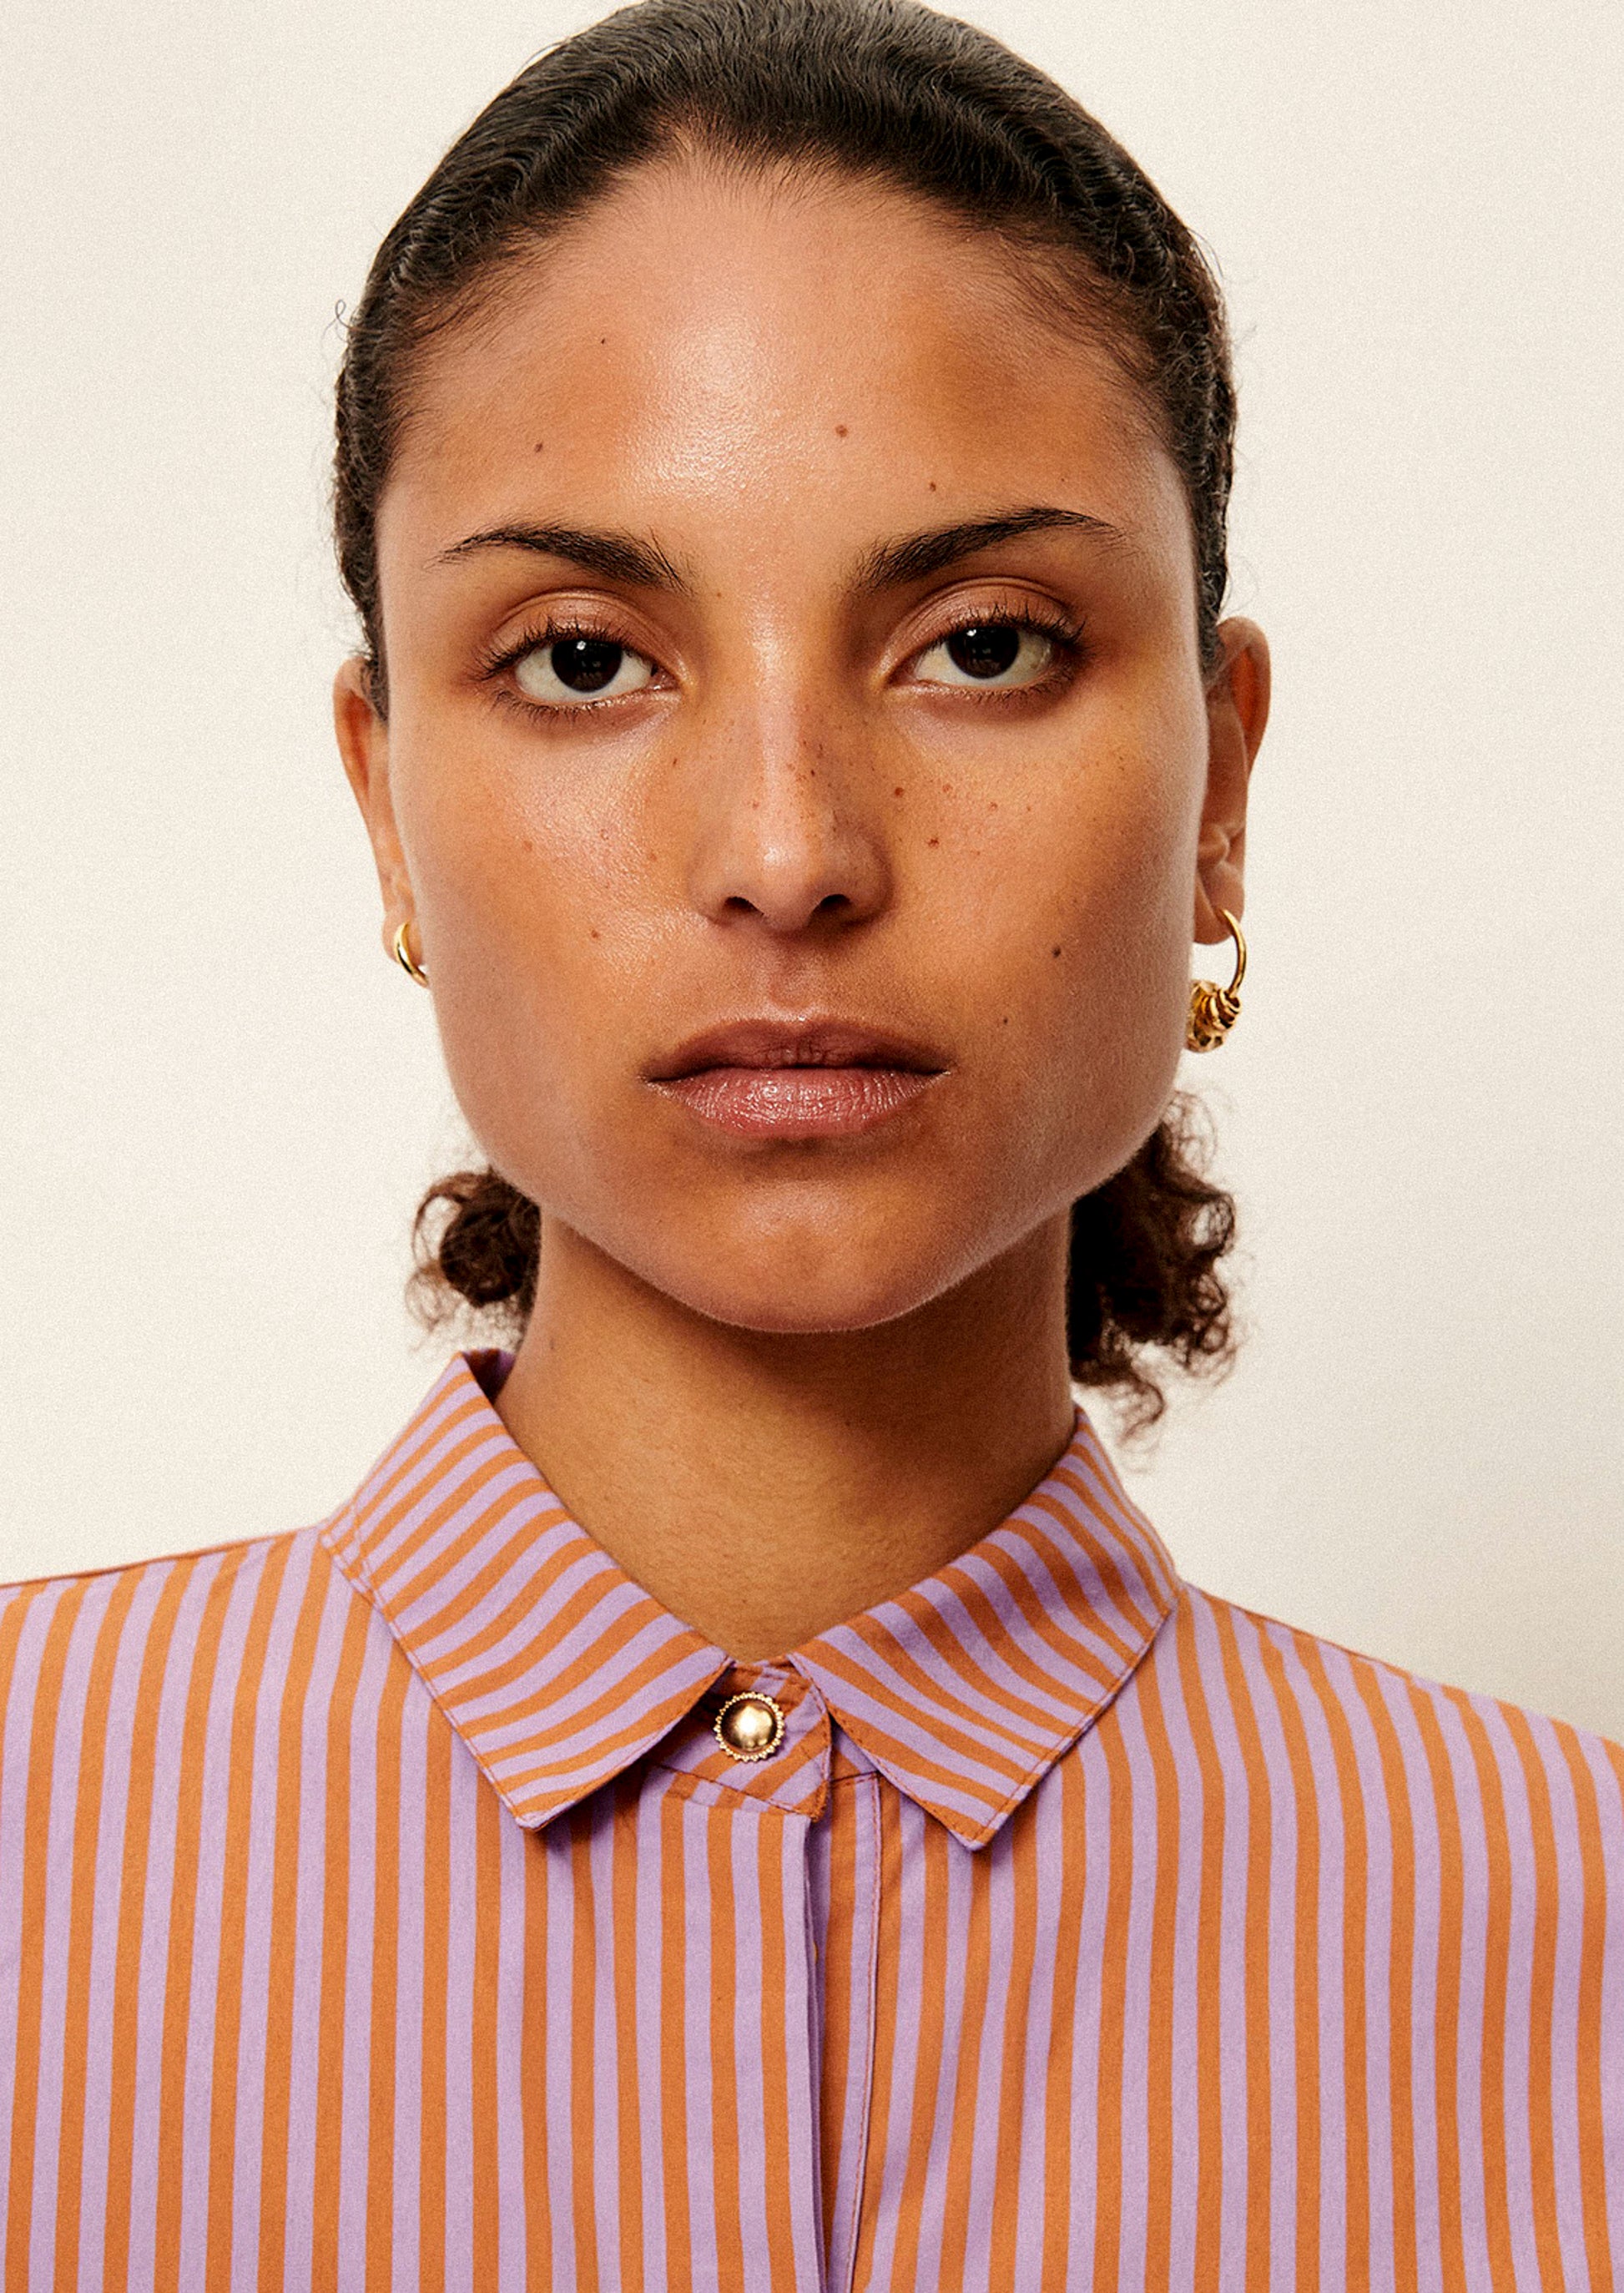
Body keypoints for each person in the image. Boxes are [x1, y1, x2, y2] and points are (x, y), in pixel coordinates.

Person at [1, 0, 1618, 2284]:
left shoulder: (1571, 1937)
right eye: (582, 658)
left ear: (1217, 789)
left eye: (979, 642)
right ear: (382, 796)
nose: (785, 852)